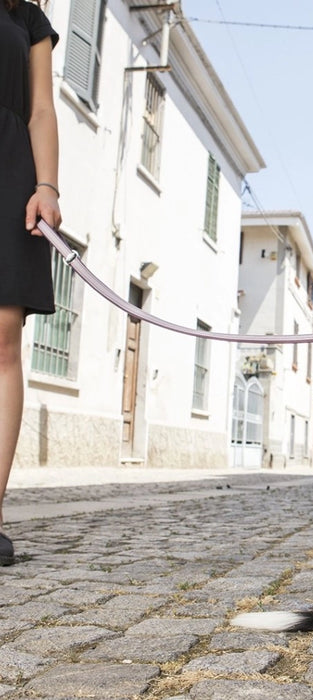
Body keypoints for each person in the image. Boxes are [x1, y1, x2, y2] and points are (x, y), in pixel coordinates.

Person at [0, 0, 60, 565]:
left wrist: (48, 186)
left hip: (8, 166)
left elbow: (42, 108)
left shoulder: (27, 19)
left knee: (2, 337)